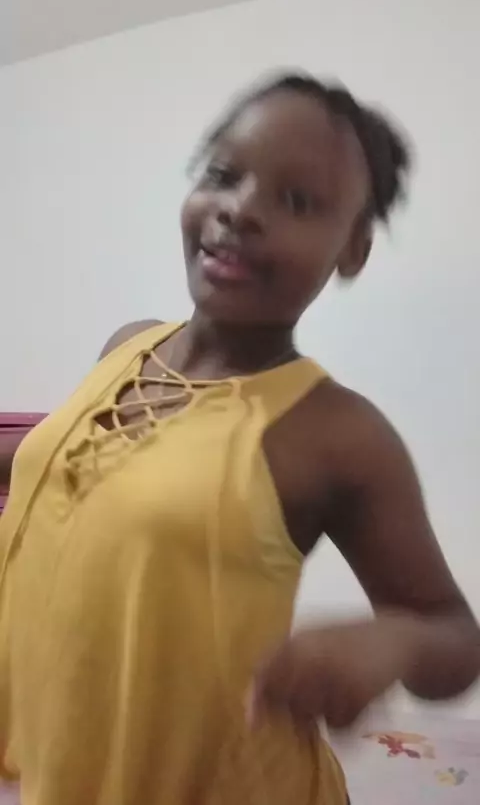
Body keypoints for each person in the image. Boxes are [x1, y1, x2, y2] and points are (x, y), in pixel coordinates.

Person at [1, 72, 479, 805]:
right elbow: (83, 482)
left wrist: (389, 641)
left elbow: (455, 636)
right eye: (223, 175)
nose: (240, 209)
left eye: (298, 201)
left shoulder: (336, 433)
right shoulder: (127, 346)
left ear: (353, 249)